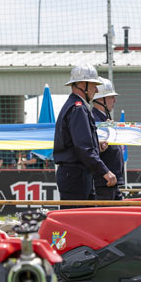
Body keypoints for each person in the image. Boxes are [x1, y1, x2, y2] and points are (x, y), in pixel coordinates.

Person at [53, 64, 116, 206]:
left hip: (76, 174)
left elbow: (78, 143)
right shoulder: (78, 109)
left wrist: (95, 144)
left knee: (83, 219)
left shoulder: (75, 106)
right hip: (76, 175)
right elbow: (83, 147)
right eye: (93, 85)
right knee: (76, 222)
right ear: (82, 84)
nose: (96, 90)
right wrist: (105, 171)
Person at [91, 77, 125, 201]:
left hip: (111, 181)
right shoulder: (94, 120)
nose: (114, 100)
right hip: (104, 182)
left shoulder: (104, 120)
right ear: (101, 99)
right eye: (111, 97)